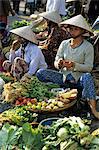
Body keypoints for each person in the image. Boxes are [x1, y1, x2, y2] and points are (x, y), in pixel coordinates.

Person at [36, 14, 99, 119]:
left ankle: (93, 109)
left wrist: (74, 65)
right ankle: (53, 97)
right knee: (40, 73)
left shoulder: (88, 47)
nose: (72, 31)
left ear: (83, 31)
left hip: (79, 79)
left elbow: (88, 67)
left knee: (88, 76)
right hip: (64, 77)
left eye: (75, 29)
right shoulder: (64, 44)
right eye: (71, 28)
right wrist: (59, 64)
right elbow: (56, 60)